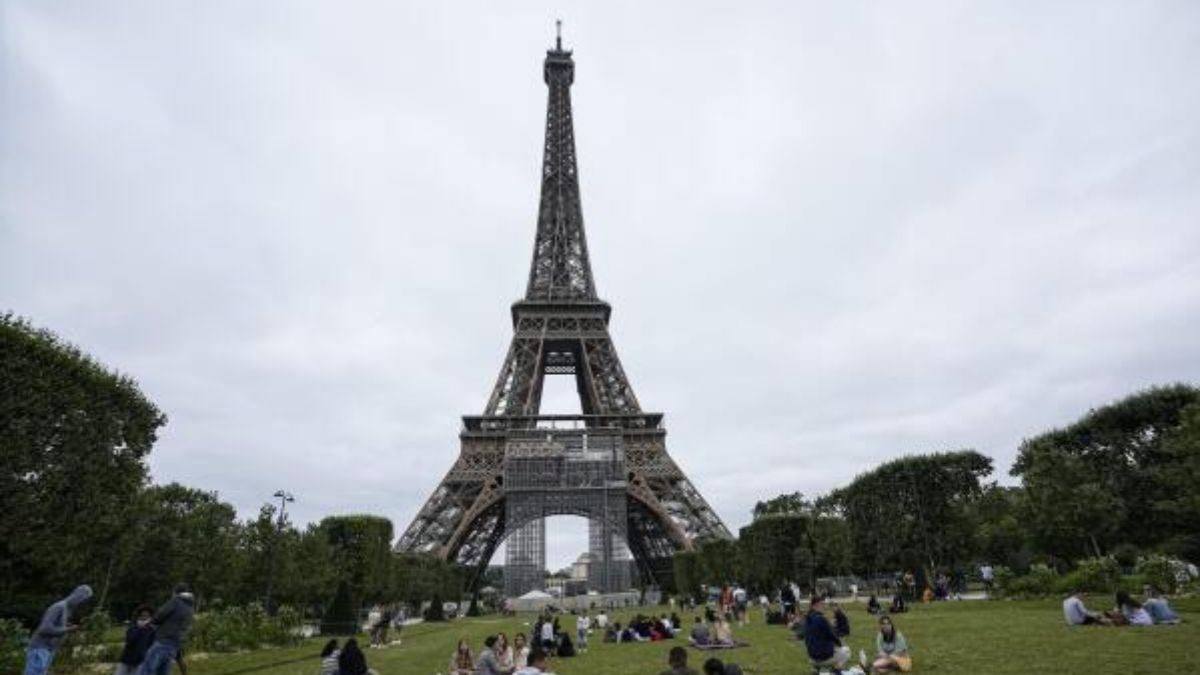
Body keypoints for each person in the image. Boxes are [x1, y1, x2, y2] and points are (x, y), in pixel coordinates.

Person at [24, 584, 93, 675]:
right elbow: (44, 629)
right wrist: (67, 629)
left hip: (48, 649)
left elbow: (55, 626)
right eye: (83, 599)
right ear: (77, 595)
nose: (82, 603)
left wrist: (66, 626)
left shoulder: (66, 609)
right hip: (40, 648)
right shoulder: (59, 607)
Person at [140, 585, 195, 675]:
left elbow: (161, 614)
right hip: (174, 646)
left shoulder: (176, 601)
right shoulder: (190, 607)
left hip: (163, 641)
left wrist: (148, 622)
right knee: (163, 672)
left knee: (146, 669)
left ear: (175, 592)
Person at [804, 596, 850, 671]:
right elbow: (832, 636)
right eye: (822, 604)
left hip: (811, 657)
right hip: (822, 657)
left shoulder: (807, 619)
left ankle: (815, 669)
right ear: (816, 605)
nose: (824, 606)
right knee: (847, 651)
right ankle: (836, 670)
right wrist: (840, 644)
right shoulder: (820, 619)